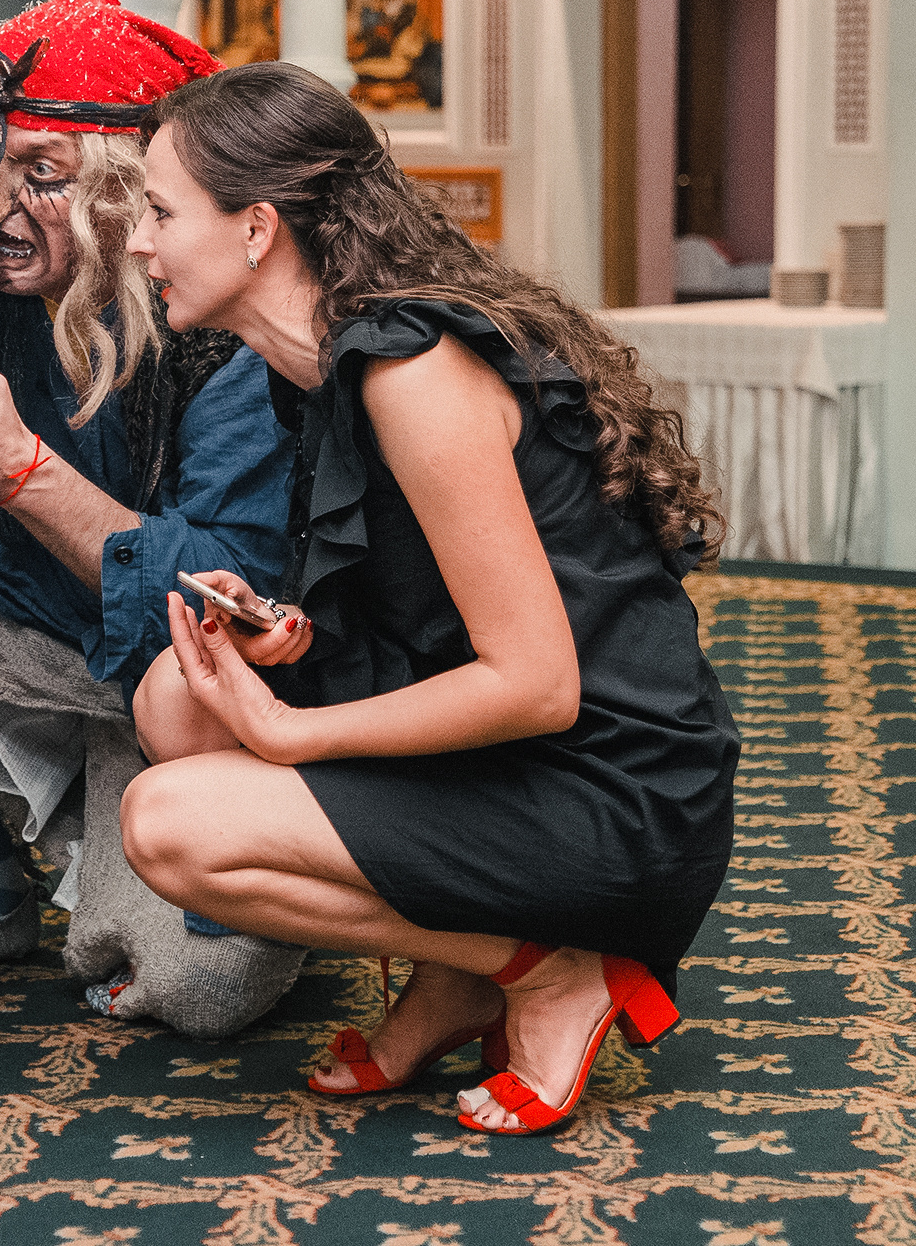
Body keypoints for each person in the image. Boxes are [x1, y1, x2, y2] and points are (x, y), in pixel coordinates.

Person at [117, 61, 741, 1135]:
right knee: (177, 696)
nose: (138, 242)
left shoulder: (413, 371)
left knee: (166, 824)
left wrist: (293, 729)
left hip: (610, 787)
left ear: (257, 228)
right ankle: (463, 971)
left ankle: (550, 971)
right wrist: (291, 630)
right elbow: (424, 600)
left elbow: (538, 685)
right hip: (510, 756)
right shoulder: (317, 367)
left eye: (160, 212)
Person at [0, 0, 299, 1038]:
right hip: (13, 617)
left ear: (130, 192)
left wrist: (24, 471)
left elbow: (218, 603)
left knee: (200, 989)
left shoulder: (223, 328)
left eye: (42, 174)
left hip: (178, 684)